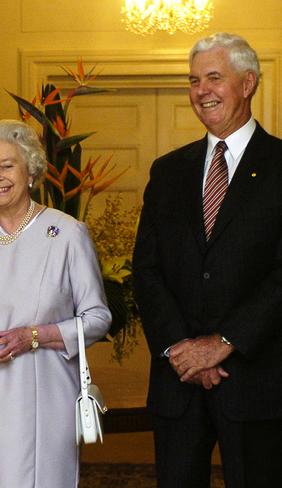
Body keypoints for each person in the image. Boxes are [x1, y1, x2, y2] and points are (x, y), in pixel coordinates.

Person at [133, 32, 282, 488]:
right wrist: (181, 348)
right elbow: (147, 269)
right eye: (194, 80)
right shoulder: (167, 169)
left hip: (257, 383)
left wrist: (224, 341)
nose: (201, 91)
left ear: (249, 82)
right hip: (177, 382)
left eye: (214, 77)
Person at [0, 119, 111, 487]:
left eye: (7, 165)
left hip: (45, 394)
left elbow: (97, 317)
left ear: (30, 172)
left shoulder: (66, 234)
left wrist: (35, 335)